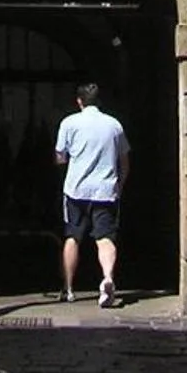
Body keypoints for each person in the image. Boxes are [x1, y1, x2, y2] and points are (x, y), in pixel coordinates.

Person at [54, 81, 129, 308]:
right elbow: (124, 160)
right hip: (105, 190)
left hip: (76, 189)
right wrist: (120, 185)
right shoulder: (114, 125)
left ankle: (68, 288)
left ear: (79, 101)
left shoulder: (69, 123)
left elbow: (60, 157)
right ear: (99, 101)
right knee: (105, 239)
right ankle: (107, 278)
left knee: (72, 237)